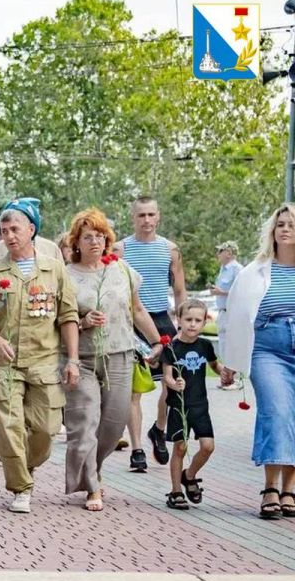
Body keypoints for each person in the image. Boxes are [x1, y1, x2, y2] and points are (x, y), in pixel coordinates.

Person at [0, 198, 80, 514]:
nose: (9, 236)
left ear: (31, 230)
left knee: (46, 429)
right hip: (5, 364)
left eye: (15, 229)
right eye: (4, 231)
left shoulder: (54, 269)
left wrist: (72, 360)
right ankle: (21, 487)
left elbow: (68, 315)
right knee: (8, 427)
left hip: (45, 361)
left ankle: (19, 462)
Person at [62, 210, 161, 512]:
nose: (95, 241)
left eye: (100, 236)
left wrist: (157, 341)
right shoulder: (65, 275)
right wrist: (82, 321)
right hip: (82, 358)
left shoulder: (121, 269)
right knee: (84, 425)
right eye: (88, 237)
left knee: (114, 425)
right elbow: (58, 320)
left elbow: (138, 309)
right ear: (76, 242)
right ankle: (93, 486)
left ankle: (94, 467)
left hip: (120, 354)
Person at [222, 204, 295, 520]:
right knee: (276, 410)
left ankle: (290, 490)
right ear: (272, 231)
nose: (286, 229)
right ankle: (269, 487)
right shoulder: (254, 271)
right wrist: (230, 361)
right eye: (281, 224)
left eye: (292, 224)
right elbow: (236, 317)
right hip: (268, 349)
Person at [114, 196, 186, 473]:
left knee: (172, 386)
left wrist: (182, 323)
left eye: (151, 215)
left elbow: (179, 289)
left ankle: (159, 429)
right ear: (133, 218)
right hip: (132, 322)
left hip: (162, 320)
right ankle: (137, 450)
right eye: (141, 215)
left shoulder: (171, 250)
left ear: (158, 217)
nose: (146, 220)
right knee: (134, 391)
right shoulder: (120, 249)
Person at [160, 299, 223, 510]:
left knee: (208, 446)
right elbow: (166, 376)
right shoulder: (172, 348)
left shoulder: (205, 346)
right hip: (179, 405)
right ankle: (176, 491)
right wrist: (174, 384)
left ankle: (190, 475)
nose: (193, 324)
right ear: (179, 320)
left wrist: (226, 373)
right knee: (180, 447)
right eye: (188, 319)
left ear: (205, 322)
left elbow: (216, 366)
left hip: (200, 405)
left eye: (198, 320)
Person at [211, 240, 243, 384]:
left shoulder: (238, 269)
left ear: (229, 253)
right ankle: (227, 378)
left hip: (232, 312)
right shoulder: (223, 269)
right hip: (222, 312)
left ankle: (233, 377)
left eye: (220, 251)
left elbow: (241, 292)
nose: (218, 254)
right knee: (223, 344)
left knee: (232, 344)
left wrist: (221, 292)